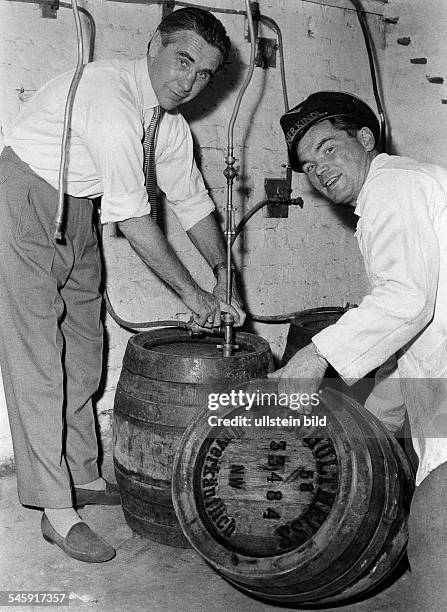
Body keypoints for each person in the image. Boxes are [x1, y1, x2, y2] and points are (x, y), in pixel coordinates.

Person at [0, 7, 245, 563]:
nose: (188, 82)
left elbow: (192, 202)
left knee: (85, 346)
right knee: (38, 353)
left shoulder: (171, 125)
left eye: (204, 73)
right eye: (183, 60)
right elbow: (136, 220)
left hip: (78, 206)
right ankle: (54, 511)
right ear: (155, 44)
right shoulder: (112, 98)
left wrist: (225, 274)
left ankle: (82, 472)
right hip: (24, 191)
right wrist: (194, 297)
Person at [270, 91, 447, 610]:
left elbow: (406, 301)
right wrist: (376, 418)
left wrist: (314, 354)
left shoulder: (393, 185)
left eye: (327, 148)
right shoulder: (392, 192)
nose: (318, 169)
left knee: (434, 523)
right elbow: (421, 322)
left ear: (365, 139)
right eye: (308, 164)